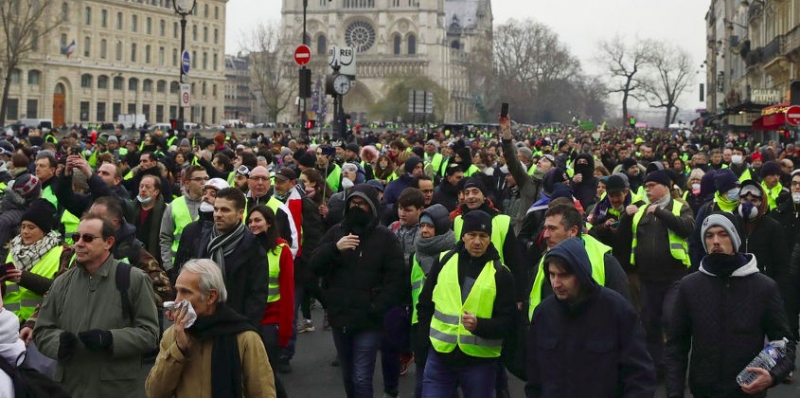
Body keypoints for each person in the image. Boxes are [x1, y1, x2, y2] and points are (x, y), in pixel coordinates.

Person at [666, 212, 796, 397]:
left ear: (735, 238)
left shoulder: (763, 286)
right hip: (704, 390)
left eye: (723, 234)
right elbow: (676, 346)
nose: (716, 241)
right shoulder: (689, 286)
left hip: (748, 391)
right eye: (709, 236)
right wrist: (674, 393)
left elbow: (784, 343)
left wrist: (773, 375)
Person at [33, 215, 159, 397]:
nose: (79, 243)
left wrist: (110, 339)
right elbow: (42, 330)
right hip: (70, 389)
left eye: (88, 238)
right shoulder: (62, 282)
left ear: (108, 242)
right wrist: (58, 342)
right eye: (76, 237)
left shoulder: (133, 279)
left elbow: (150, 334)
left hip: (115, 390)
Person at [525, 238, 656, 397]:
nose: (556, 283)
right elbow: (534, 378)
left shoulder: (617, 311)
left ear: (581, 273)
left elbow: (640, 376)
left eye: (564, 275)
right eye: (552, 275)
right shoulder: (543, 314)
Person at [310, 184, 406, 398]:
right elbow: (314, 265)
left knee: (362, 376)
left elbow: (396, 278)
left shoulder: (385, 238)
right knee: (348, 375)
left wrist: (377, 307)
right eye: (353, 203)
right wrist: (335, 249)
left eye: (362, 203)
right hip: (340, 317)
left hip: (369, 320)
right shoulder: (336, 233)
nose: (357, 207)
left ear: (372, 206)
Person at [416, 210, 516, 397]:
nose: (477, 242)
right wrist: (423, 344)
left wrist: (480, 325)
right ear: (463, 236)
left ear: (490, 238)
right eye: (472, 235)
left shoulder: (501, 274)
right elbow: (425, 304)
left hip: (479, 362)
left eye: (483, 236)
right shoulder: (443, 261)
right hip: (440, 357)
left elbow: (509, 322)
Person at [145, 259, 276, 398]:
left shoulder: (245, 338)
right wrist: (179, 349)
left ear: (211, 297)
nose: (177, 301)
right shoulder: (173, 335)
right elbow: (154, 393)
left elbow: (263, 393)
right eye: (177, 292)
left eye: (185, 292)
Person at [617, 169, 694, 379]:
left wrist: (659, 212)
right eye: (646, 186)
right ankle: (657, 368)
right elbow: (622, 237)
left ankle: (674, 367)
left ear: (665, 186)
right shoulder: (641, 209)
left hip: (674, 278)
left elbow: (687, 228)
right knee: (649, 325)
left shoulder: (680, 206)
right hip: (647, 279)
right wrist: (626, 216)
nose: (647, 190)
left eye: (652, 186)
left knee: (671, 321)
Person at [173, 188, 269, 327]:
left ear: (240, 213)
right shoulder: (203, 239)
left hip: (232, 326)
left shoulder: (253, 248)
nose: (218, 214)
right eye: (216, 209)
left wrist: (245, 329)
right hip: (199, 323)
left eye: (225, 210)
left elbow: (257, 297)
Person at [528, 203, 631, 320]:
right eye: (545, 228)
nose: (545, 235)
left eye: (552, 229)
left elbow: (624, 313)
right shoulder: (544, 262)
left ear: (573, 231)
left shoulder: (605, 262)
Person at [409, 204, 455, 398]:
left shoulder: (453, 255)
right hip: (419, 322)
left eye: (430, 226)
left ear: (441, 227)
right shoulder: (415, 254)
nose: (424, 231)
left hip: (445, 327)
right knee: (422, 382)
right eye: (422, 226)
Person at [248, 205, 293, 397]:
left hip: (270, 322)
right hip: (249, 320)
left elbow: (288, 293)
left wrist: (284, 332)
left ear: (269, 223)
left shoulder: (282, 249)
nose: (253, 225)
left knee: (268, 376)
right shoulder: (245, 247)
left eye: (257, 220)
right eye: (249, 221)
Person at [1, 199, 62, 323]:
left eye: (31, 227)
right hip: (9, 323)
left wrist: (24, 278)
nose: (25, 231)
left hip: (39, 324)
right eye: (22, 226)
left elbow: (61, 290)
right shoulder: (13, 249)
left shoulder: (60, 253)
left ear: (44, 230)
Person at [159, 165, 206, 271]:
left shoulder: (212, 205)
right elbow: (165, 237)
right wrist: (168, 266)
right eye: (198, 179)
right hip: (178, 264)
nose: (204, 182)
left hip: (204, 266)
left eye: (206, 178)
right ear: (187, 183)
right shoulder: (174, 205)